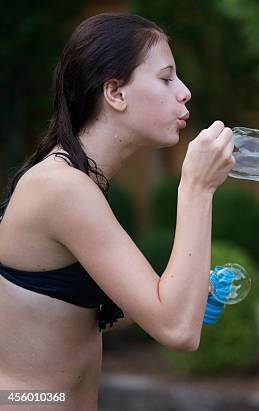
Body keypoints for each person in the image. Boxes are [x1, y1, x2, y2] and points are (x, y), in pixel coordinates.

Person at [0, 13, 234, 410]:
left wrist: (191, 289)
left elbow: (72, 311)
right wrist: (197, 187)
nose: (185, 92)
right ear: (115, 93)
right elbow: (178, 330)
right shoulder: (62, 187)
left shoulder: (77, 181)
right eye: (166, 78)